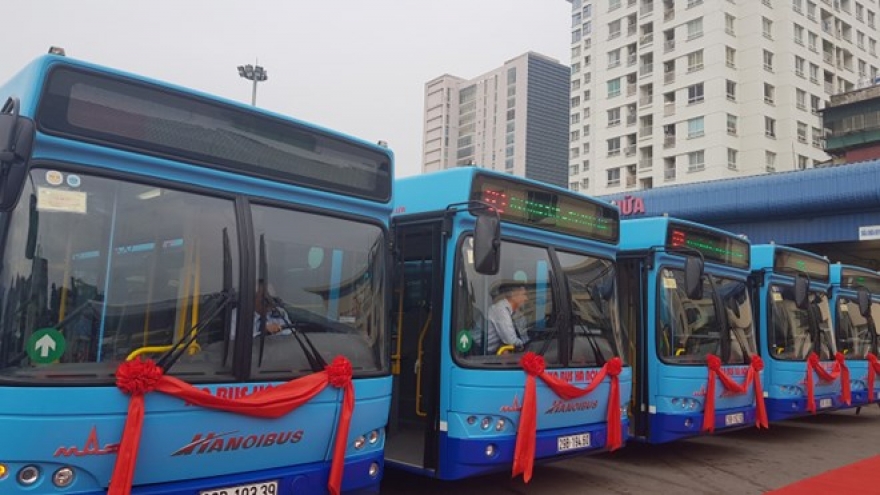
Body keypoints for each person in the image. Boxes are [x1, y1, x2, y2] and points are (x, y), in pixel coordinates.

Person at [486, 284, 529, 354]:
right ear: (513, 295)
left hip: (493, 349)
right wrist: (527, 345)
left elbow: (522, 333)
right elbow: (510, 340)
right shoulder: (500, 309)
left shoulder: (515, 312)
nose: (526, 298)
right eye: (524, 294)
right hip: (477, 350)